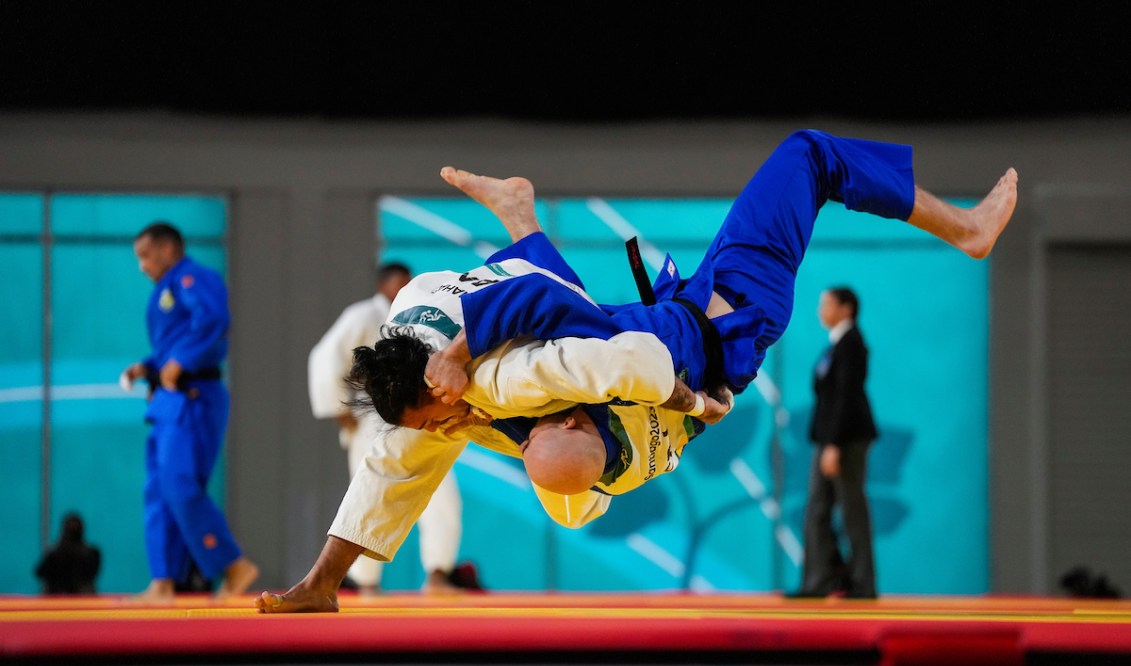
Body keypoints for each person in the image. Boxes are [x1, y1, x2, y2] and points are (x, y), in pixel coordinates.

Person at [257, 129, 1016, 613]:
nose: (448, 423)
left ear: (435, 370)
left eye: (441, 409)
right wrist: (323, 580)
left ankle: (968, 231)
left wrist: (692, 400)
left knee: (806, 155)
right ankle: (522, 220)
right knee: (802, 157)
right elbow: (392, 459)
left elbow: (551, 306)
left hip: (686, 333)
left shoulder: (479, 367)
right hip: (690, 321)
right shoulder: (422, 315)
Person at [307, 262, 476, 594]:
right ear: (385, 283)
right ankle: (366, 581)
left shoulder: (418, 313)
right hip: (373, 419)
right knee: (370, 493)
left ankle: (438, 573)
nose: (406, 285)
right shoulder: (362, 314)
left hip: (425, 411)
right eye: (401, 281)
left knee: (443, 495)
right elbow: (324, 357)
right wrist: (337, 407)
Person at [121, 222, 258, 603]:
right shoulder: (166, 289)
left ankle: (233, 564)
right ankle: (162, 580)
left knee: (180, 485)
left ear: (167, 249)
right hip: (169, 402)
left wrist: (181, 360)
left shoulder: (192, 278)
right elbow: (173, 345)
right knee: (159, 490)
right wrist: (148, 367)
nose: (142, 266)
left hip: (195, 396)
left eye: (146, 256)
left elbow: (213, 319)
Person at [794, 287, 879, 598]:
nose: (821, 310)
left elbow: (845, 397)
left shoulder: (851, 344)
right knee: (817, 509)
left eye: (827, 304)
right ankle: (822, 580)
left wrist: (833, 445)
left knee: (851, 508)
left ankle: (863, 583)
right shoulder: (836, 344)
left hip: (845, 440)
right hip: (830, 437)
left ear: (846, 308)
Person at [34, 512, 101, 594]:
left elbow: (39, 572)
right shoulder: (92, 553)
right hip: (85, 599)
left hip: (56, 600)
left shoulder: (54, 554)